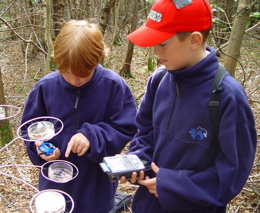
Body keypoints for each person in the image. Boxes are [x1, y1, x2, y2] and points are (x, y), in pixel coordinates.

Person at [121, 0, 257, 212]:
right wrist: (138, 160)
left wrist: (173, 185)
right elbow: (144, 132)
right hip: (147, 204)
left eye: (163, 43)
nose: (156, 51)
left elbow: (232, 172)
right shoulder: (159, 80)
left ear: (194, 40)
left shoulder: (227, 96)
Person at [21, 20, 137, 213]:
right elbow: (29, 130)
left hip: (96, 186)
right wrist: (39, 148)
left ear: (99, 59)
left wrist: (91, 136)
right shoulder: (45, 88)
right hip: (54, 185)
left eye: (83, 74)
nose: (75, 80)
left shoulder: (113, 86)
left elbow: (125, 127)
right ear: (58, 61)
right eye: (68, 73)